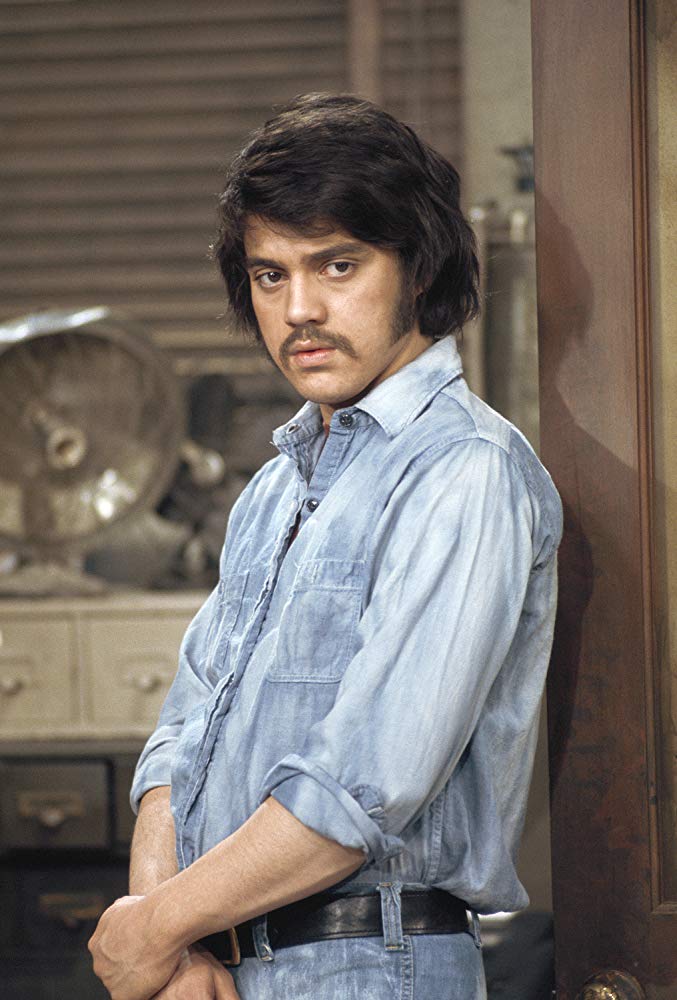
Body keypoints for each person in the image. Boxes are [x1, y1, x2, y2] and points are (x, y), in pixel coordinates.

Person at [89, 93, 562, 1000]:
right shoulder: (274, 490)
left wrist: (155, 928)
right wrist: (170, 947)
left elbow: (363, 789)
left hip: (372, 966)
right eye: (269, 276)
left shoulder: (466, 471)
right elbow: (181, 738)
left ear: (417, 269)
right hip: (220, 964)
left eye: (337, 265)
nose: (298, 309)